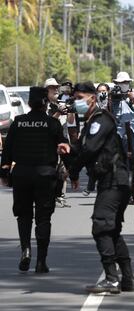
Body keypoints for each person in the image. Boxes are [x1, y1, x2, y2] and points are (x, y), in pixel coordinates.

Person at [69, 82, 134, 294]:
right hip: (113, 180)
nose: (76, 101)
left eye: (80, 97)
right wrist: (67, 151)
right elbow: (80, 149)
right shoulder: (90, 121)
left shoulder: (101, 119)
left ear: (91, 97)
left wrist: (74, 167)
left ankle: (111, 279)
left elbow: (89, 149)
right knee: (112, 230)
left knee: (100, 225)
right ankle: (127, 279)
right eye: (74, 98)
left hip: (114, 180)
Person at [0, 87, 70, 273]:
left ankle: (26, 250)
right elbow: (64, 148)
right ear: (46, 103)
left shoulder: (18, 122)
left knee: (23, 216)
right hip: (45, 176)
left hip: (21, 175)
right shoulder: (52, 123)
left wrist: (4, 172)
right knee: (43, 218)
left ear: (29, 104)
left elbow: (7, 150)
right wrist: (73, 172)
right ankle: (41, 261)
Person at [110, 72, 134, 204]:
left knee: (131, 165)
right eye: (121, 83)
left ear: (129, 83)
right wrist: (110, 99)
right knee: (118, 165)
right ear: (116, 84)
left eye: (126, 82)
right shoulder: (112, 97)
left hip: (132, 134)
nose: (123, 85)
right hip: (117, 135)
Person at [44, 78, 71, 209]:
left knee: (64, 171)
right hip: (49, 143)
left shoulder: (62, 103)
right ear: (46, 91)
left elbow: (70, 121)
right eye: (52, 87)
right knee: (50, 171)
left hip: (63, 141)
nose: (55, 90)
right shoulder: (43, 106)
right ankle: (48, 196)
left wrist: (70, 110)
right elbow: (47, 124)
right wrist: (58, 113)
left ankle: (61, 196)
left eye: (56, 87)